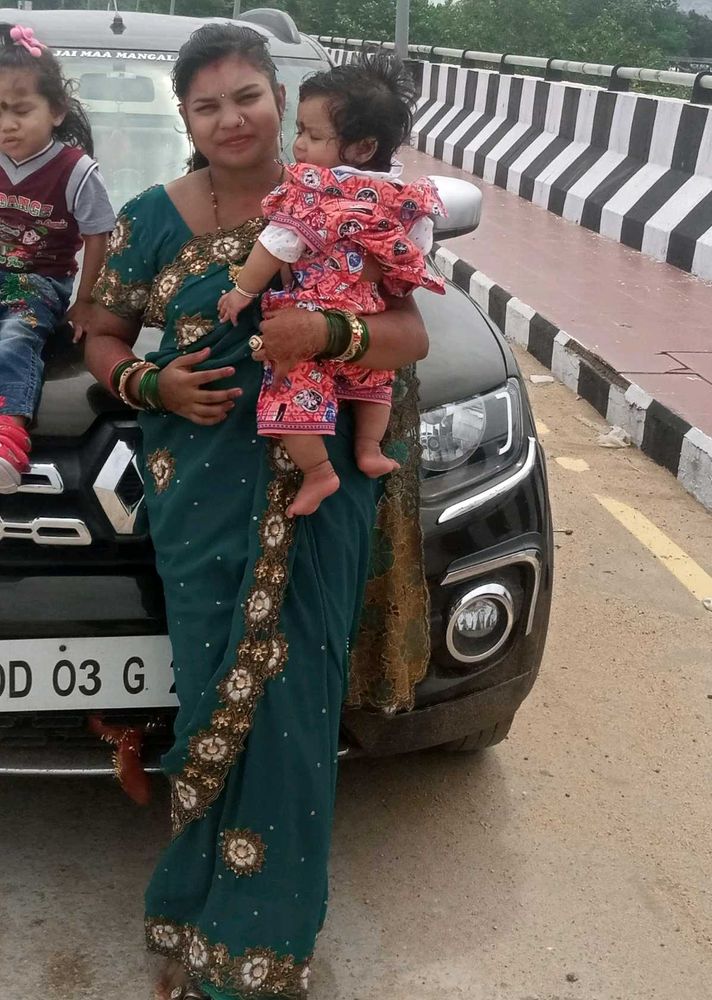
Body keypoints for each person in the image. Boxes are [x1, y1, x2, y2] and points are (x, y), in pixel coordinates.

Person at [84, 23, 428, 1000]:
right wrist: (152, 385)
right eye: (207, 104)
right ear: (184, 117)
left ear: (280, 99)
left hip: (319, 499)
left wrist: (331, 327)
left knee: (292, 715)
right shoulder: (153, 218)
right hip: (196, 502)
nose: (230, 118)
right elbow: (101, 332)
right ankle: (195, 924)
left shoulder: (345, 199)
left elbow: (406, 331)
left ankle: (261, 951)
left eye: (248, 96)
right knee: (212, 702)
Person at [217, 52, 445, 518]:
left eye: (312, 135)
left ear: (361, 147)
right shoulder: (403, 195)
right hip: (369, 313)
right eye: (298, 131)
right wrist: (380, 270)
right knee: (375, 382)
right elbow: (418, 249)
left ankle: (319, 471)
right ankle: (368, 447)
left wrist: (242, 290)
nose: (299, 145)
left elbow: (276, 243)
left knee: (291, 388)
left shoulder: (312, 190)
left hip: (308, 312)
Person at [0, 23, 114, 492]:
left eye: (21, 110)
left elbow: (98, 237)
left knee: (15, 335)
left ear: (56, 111)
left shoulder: (76, 171)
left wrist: (86, 302)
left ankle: (8, 432)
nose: (7, 123)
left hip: (39, 281)